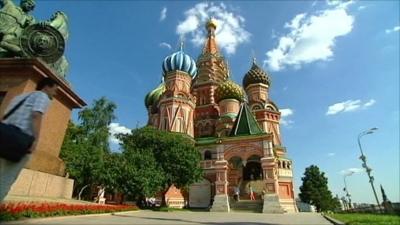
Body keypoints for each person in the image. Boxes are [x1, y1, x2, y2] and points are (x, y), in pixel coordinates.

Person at [0, 77, 58, 202]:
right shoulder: (42, 97)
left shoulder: (18, 97)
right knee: (6, 179)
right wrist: (35, 140)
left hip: (3, 136)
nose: (55, 93)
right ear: (47, 87)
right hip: (19, 142)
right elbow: (36, 115)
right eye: (54, 90)